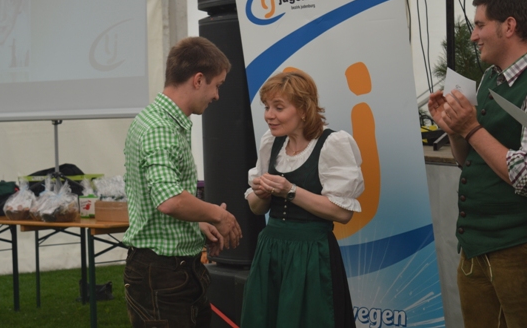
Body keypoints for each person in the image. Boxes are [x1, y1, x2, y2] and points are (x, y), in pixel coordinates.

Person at [122, 36, 243, 328]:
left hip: (169, 270)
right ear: (198, 80)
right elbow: (170, 200)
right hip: (163, 273)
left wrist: (197, 222)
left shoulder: (161, 120)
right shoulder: (160, 128)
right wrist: (218, 215)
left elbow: (161, 198)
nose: (217, 96)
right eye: (217, 85)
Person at [428, 0, 527, 327]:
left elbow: (524, 175)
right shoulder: (488, 79)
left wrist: (470, 128)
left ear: (509, 26)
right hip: (474, 246)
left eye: (480, 25)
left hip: (517, 248)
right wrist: (454, 129)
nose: (473, 36)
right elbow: (467, 160)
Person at [240, 69, 364, 328]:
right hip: (270, 251)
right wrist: (261, 194)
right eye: (267, 107)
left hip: (311, 254)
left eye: (279, 107)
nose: (269, 115)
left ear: (304, 110)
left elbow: (342, 213)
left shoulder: (332, 143)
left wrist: (291, 191)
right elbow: (256, 208)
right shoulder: (271, 143)